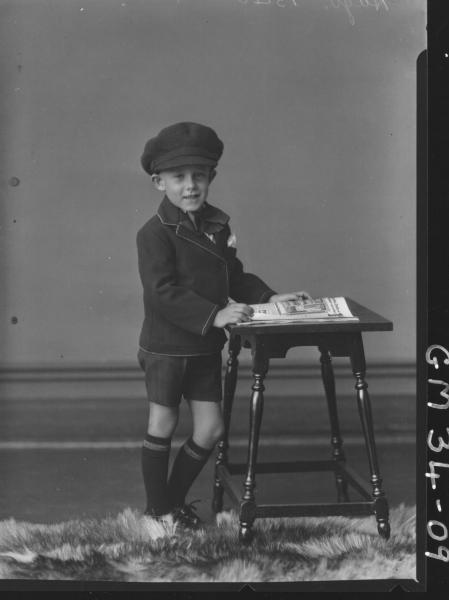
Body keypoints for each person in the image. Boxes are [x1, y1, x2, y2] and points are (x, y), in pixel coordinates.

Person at [136, 121, 310, 529]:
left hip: (203, 346)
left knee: (210, 429)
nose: (190, 186)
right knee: (162, 424)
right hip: (166, 347)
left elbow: (233, 275)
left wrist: (268, 297)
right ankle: (155, 515)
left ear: (211, 177)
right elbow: (160, 292)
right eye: (179, 177)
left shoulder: (217, 226)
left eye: (199, 176)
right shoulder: (154, 234)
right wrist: (215, 316)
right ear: (159, 182)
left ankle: (169, 505)